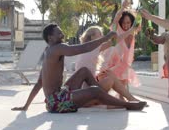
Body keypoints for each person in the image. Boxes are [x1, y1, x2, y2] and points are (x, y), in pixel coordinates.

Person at [11, 23, 146, 113]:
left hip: (55, 99)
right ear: (50, 38)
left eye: (62, 33)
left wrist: (26, 106)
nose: (62, 36)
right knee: (93, 90)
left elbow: (40, 82)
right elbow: (83, 48)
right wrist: (105, 38)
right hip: (56, 103)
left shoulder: (49, 51)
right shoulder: (58, 48)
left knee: (84, 72)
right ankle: (128, 105)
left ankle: (100, 95)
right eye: (59, 34)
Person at [75, 26, 140, 103]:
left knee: (109, 75)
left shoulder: (84, 48)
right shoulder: (92, 47)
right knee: (110, 79)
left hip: (85, 92)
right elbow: (115, 41)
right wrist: (130, 31)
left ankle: (128, 98)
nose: (102, 36)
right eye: (99, 34)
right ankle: (130, 99)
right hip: (86, 95)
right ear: (92, 37)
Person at [105, 0, 140, 88]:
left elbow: (139, 21)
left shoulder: (133, 31)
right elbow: (115, 20)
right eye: (123, 22)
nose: (125, 25)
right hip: (113, 65)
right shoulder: (117, 31)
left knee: (122, 91)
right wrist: (122, 8)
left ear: (132, 23)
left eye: (128, 22)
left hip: (124, 66)